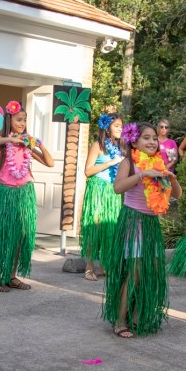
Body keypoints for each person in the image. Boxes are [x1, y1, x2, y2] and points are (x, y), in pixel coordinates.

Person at [104, 122, 182, 338]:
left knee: (151, 270)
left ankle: (137, 317)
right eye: (146, 138)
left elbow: (177, 195)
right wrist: (142, 174)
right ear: (134, 141)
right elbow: (118, 188)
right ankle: (120, 320)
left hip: (151, 223)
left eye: (154, 138)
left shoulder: (159, 163)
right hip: (133, 221)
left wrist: (173, 180)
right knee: (135, 272)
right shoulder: (128, 162)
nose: (152, 142)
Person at [0, 101, 54, 292]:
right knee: (3, 235)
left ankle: (11, 276)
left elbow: (50, 163)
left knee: (20, 236)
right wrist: (11, 140)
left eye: (25, 120)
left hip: (25, 192)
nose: (22, 123)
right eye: (19, 119)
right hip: (6, 191)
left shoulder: (27, 144)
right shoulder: (4, 143)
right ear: (9, 120)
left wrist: (39, 144)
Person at [79, 113, 123, 281]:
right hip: (97, 189)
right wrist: (110, 163)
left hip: (112, 191)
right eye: (116, 126)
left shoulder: (120, 147)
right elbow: (88, 171)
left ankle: (104, 266)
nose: (120, 129)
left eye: (121, 126)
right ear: (107, 127)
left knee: (110, 229)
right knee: (95, 228)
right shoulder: (97, 145)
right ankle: (89, 268)